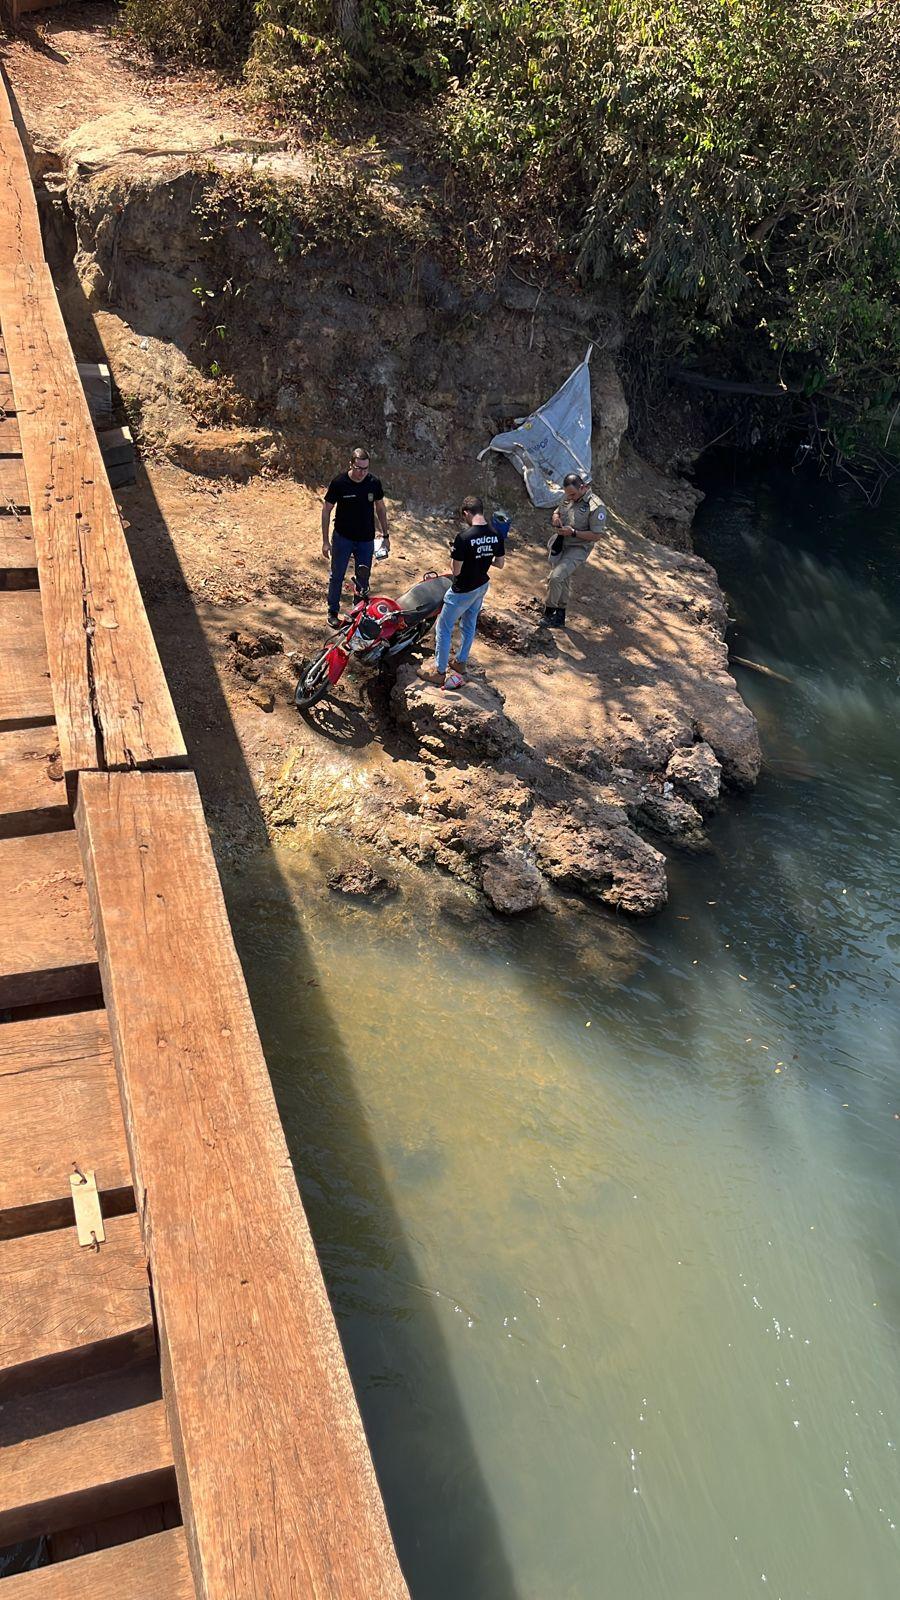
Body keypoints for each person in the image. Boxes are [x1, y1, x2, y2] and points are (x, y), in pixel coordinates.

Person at [421, 495, 505, 689]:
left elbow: (455, 571)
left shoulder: (464, 538)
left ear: (467, 513)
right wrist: (482, 559)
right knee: (469, 624)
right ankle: (460, 662)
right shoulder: (496, 533)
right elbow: (499, 564)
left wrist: (463, 556)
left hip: (462, 590)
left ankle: (439, 672)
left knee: (443, 627)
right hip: (481, 586)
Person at [321, 448, 390, 626]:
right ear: (351, 464)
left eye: (365, 468)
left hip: (366, 540)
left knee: (363, 577)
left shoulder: (373, 482)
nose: (362, 473)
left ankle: (357, 612)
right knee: (337, 575)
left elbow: (381, 508)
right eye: (359, 468)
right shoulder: (339, 483)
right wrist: (325, 541)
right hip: (342, 537)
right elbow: (326, 510)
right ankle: (333, 611)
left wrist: (385, 535)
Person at [542, 472, 607, 628]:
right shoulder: (568, 496)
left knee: (556, 578)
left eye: (573, 494)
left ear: (583, 487)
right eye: (568, 495)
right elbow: (558, 510)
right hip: (561, 542)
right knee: (562, 579)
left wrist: (574, 532)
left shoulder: (596, 507)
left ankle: (549, 614)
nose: (570, 498)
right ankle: (560, 615)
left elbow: (597, 535)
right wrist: (555, 517)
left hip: (578, 547)